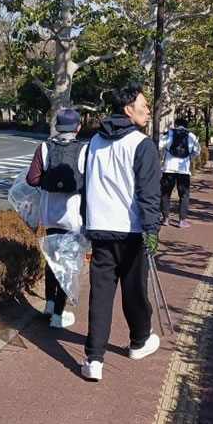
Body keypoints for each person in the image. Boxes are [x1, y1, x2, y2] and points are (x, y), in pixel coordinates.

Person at [81, 84, 161, 382]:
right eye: (144, 105)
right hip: (131, 230)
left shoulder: (94, 141)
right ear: (128, 109)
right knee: (134, 288)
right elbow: (148, 193)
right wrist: (151, 230)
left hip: (100, 227)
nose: (148, 110)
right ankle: (139, 341)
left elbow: (86, 184)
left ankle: (93, 359)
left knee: (100, 295)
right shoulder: (142, 144)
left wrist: (86, 222)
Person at [26, 108, 87, 329]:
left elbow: (32, 179)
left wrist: (48, 181)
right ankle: (58, 317)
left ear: (57, 127)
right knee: (66, 265)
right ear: (78, 127)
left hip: (50, 213)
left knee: (52, 260)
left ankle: (50, 305)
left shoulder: (44, 148)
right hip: (73, 215)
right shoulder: (84, 149)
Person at [157, 117, 200, 228]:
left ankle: (165, 218)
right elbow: (197, 152)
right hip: (184, 169)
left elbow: (159, 146)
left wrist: (163, 155)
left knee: (166, 193)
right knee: (184, 195)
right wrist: (189, 157)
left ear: (175, 124)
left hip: (168, 168)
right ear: (186, 125)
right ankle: (182, 220)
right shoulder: (192, 136)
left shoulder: (168, 133)